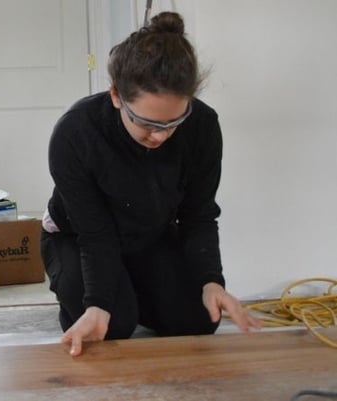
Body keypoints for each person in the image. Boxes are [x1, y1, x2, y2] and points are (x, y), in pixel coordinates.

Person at [41, 12, 262, 357]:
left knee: (200, 319)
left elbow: (198, 215)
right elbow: (95, 234)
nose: (160, 135)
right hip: (77, 237)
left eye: (174, 121)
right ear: (116, 96)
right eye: (145, 122)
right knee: (112, 326)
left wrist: (211, 280)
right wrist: (98, 303)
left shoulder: (203, 127)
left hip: (147, 237)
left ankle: (131, 288)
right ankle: (100, 294)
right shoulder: (76, 133)